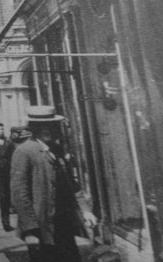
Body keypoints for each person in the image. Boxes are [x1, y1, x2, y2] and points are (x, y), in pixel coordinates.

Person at [10, 106, 97, 262]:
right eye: (41, 127)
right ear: (33, 128)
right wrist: (30, 230)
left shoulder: (56, 150)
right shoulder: (25, 151)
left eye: (50, 126)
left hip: (63, 224)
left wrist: (85, 210)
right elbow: (19, 194)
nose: (47, 130)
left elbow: (72, 186)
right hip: (41, 226)